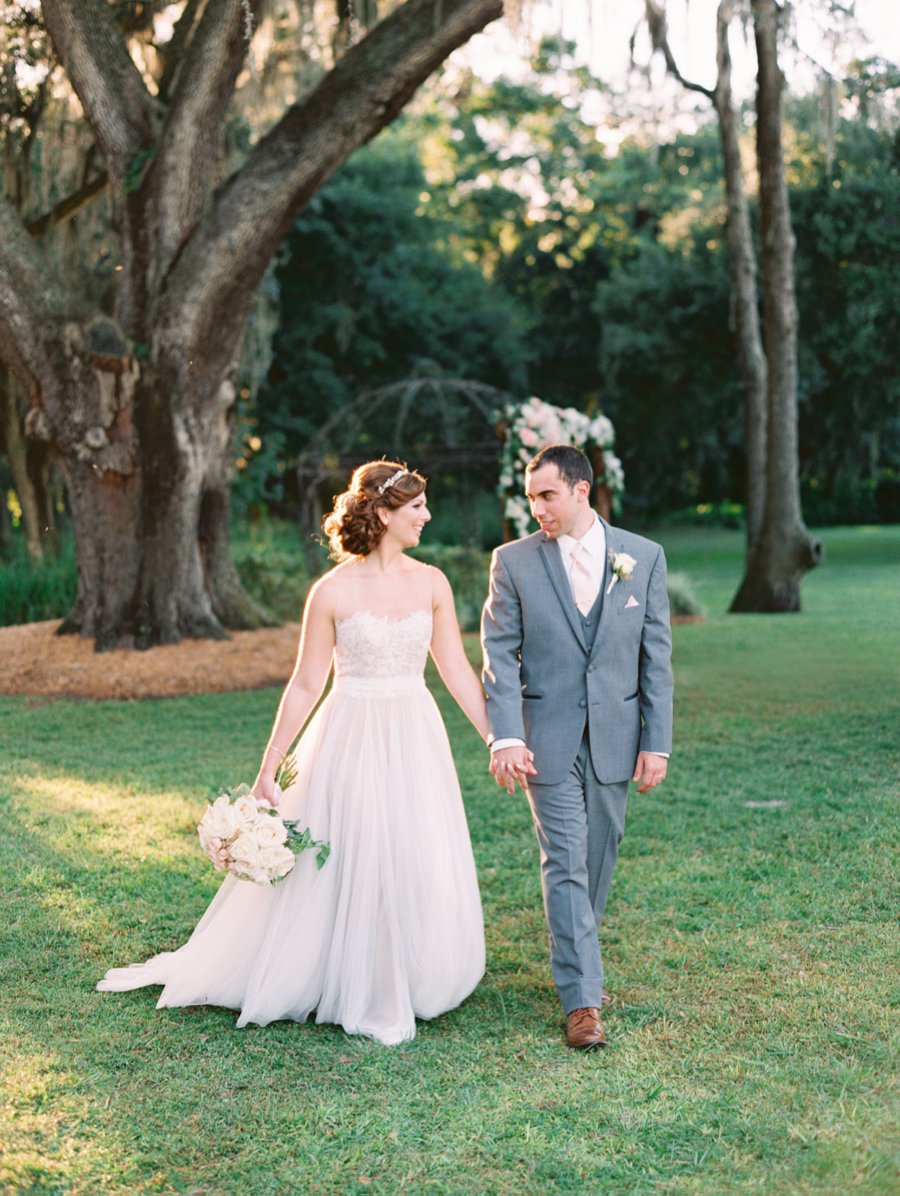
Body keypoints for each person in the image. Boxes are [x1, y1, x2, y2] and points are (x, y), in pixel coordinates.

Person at [98, 460, 489, 1045]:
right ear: (383, 513)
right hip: (348, 730)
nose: (427, 517)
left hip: (413, 729)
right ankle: (350, 979)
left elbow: (455, 668)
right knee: (355, 844)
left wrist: (494, 736)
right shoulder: (330, 591)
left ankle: (402, 972)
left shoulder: (431, 582)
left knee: (407, 843)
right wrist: (269, 763)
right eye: (416, 508)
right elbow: (307, 683)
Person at [481, 444, 673, 1049]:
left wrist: (657, 743)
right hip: (546, 740)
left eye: (547, 495)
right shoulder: (512, 562)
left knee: (599, 854)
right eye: (531, 496)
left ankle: (577, 960)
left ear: (581, 490)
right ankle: (582, 1001)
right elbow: (498, 655)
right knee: (565, 858)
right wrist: (506, 735)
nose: (536, 507)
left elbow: (657, 661)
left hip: (617, 737)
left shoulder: (643, 558)